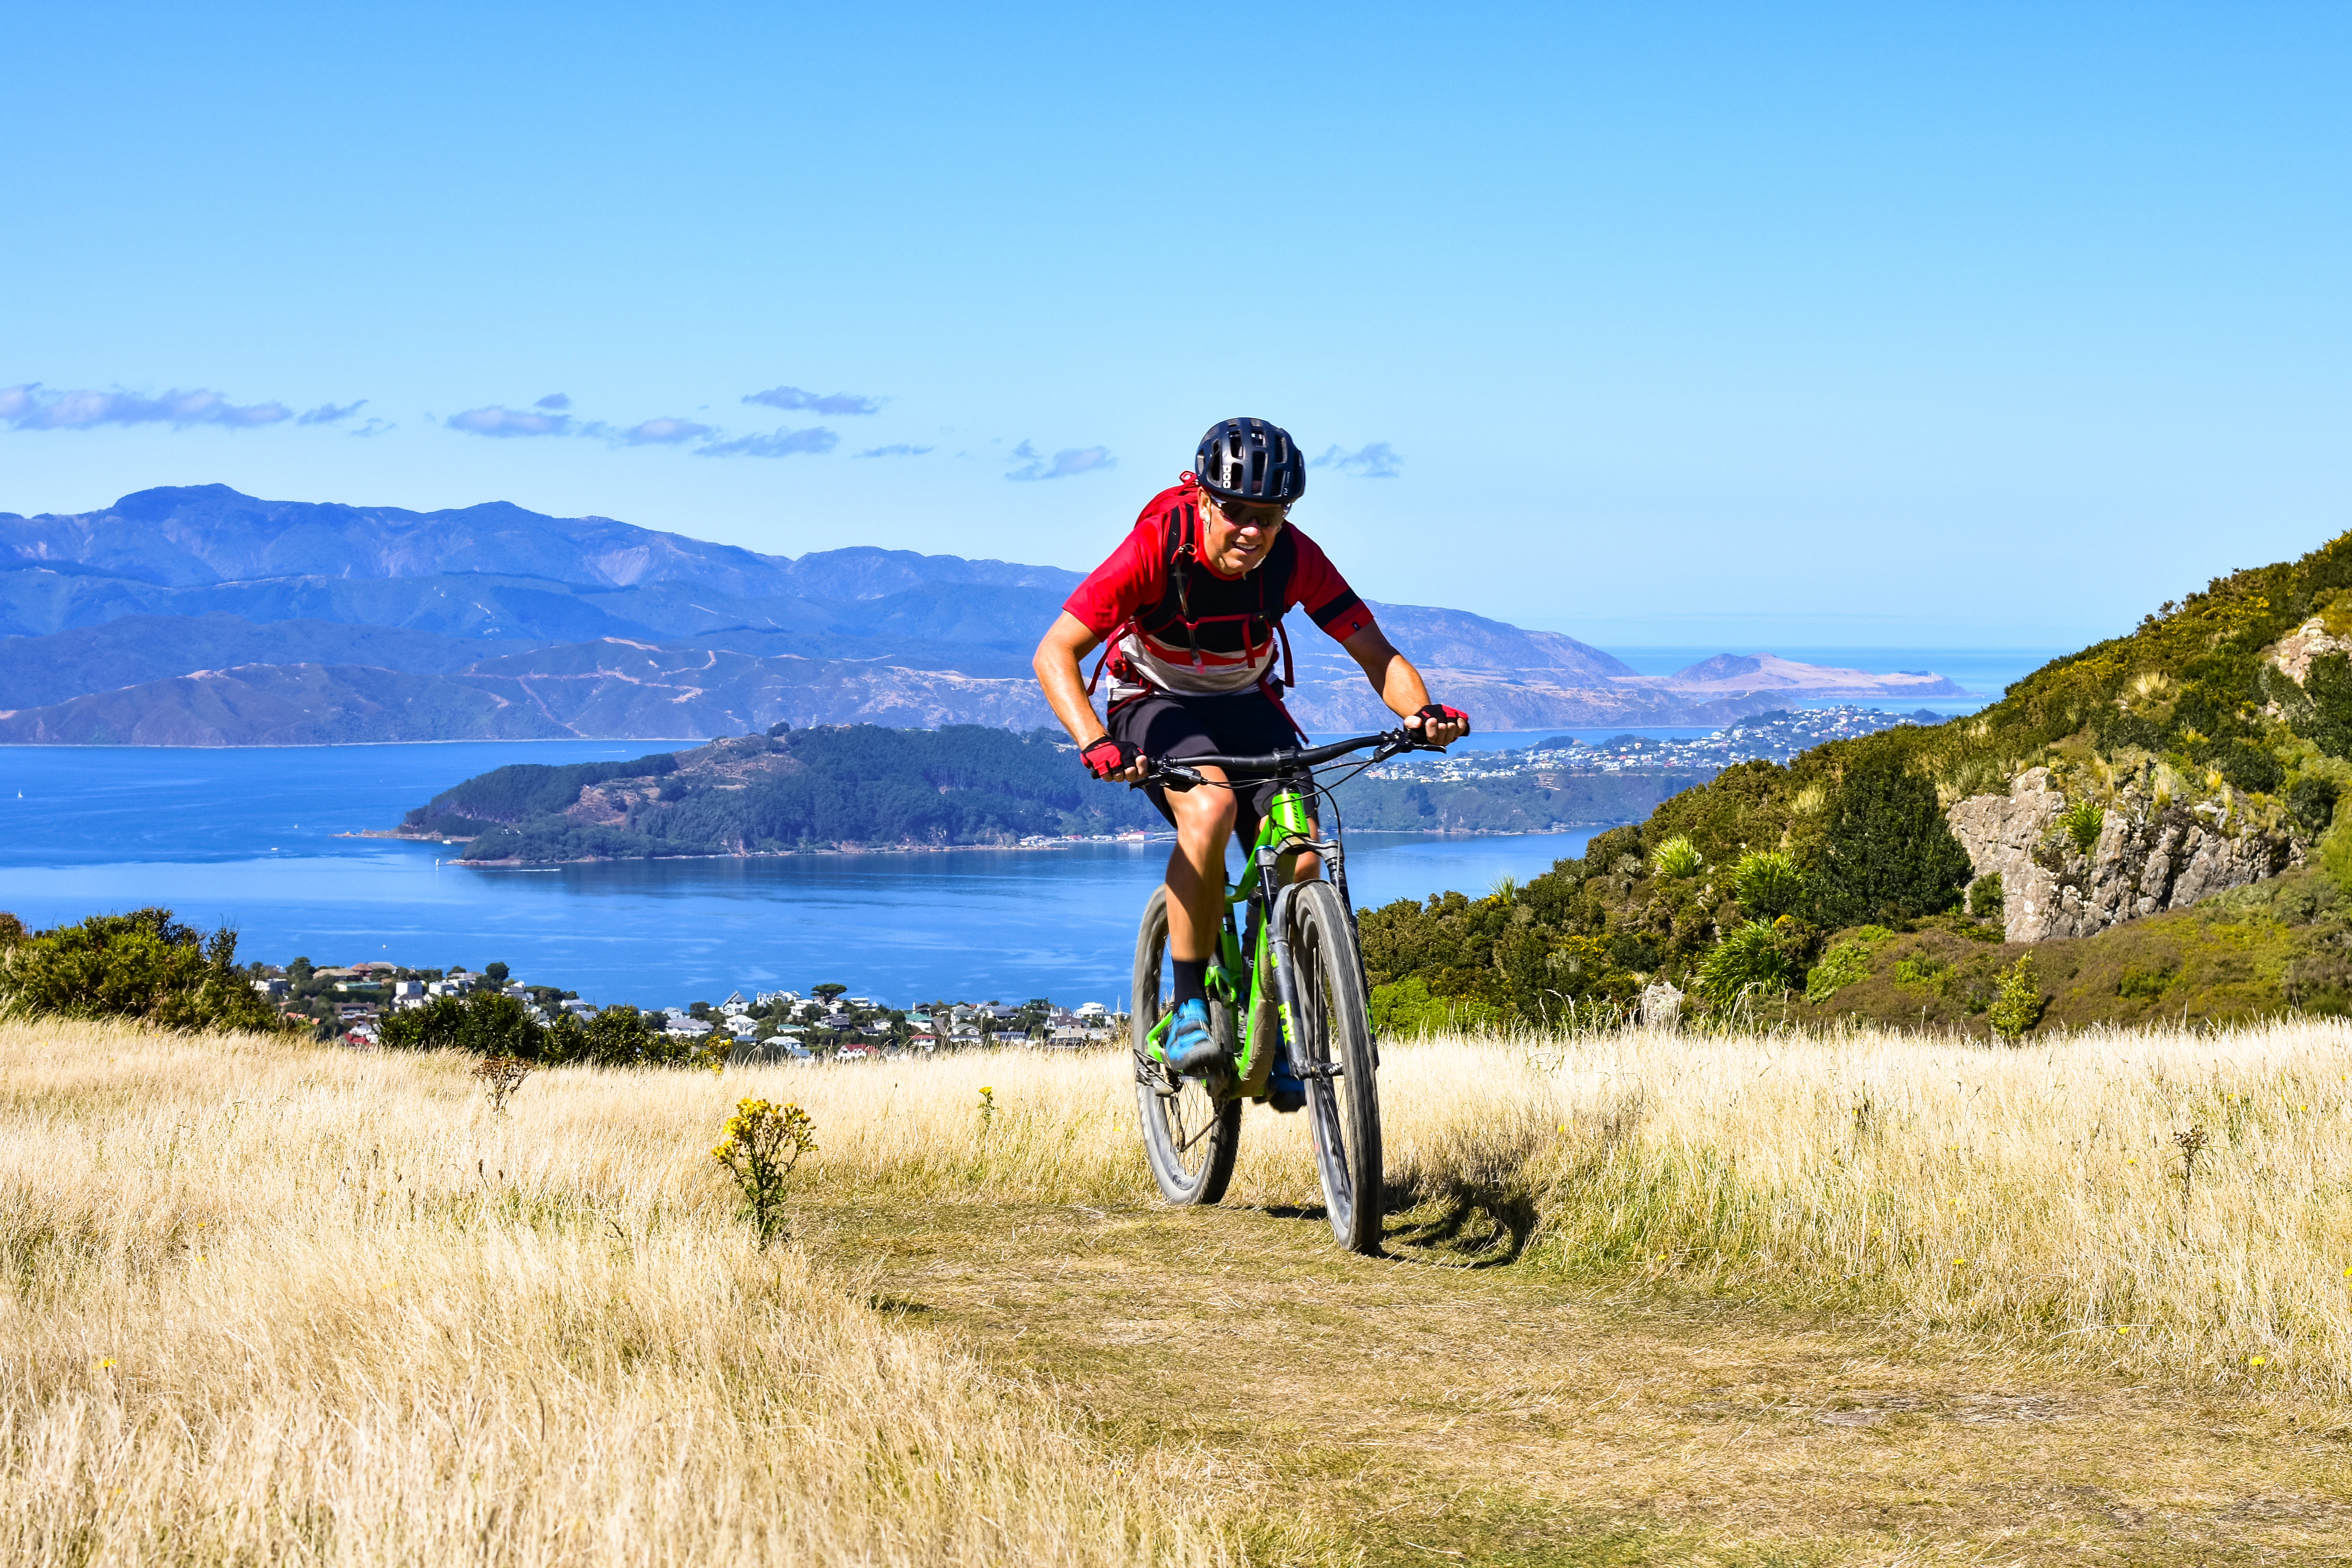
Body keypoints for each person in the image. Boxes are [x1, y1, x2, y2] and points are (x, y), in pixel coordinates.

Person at [1032, 417, 1469, 1094]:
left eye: (1268, 516)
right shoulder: (1158, 544)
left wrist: (1422, 713)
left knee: (1303, 848)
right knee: (1209, 809)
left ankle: (1285, 1024)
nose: (1251, 530)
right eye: (1235, 511)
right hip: (1152, 698)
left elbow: (1375, 653)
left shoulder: (1296, 558)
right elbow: (1055, 652)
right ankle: (1188, 1008)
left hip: (1245, 700)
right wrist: (1097, 741)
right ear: (1205, 500)